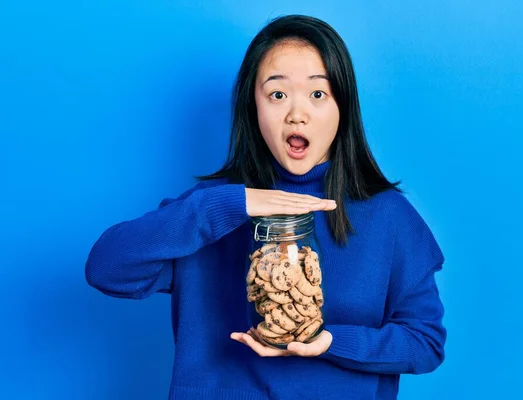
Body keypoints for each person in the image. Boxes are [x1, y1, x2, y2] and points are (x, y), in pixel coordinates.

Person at [85, 14, 446, 400]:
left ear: (343, 106)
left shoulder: (389, 217)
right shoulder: (210, 210)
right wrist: (233, 203)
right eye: (277, 94)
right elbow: (106, 268)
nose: (296, 112)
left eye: (318, 94)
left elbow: (425, 343)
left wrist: (330, 341)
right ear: (252, 106)